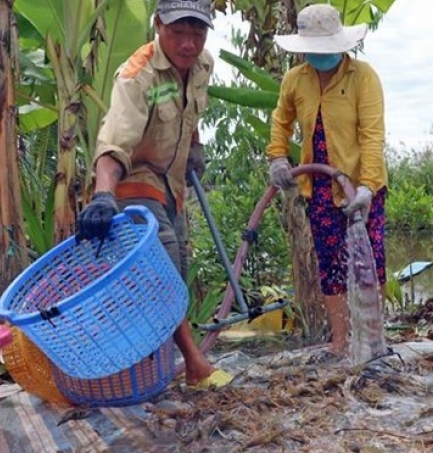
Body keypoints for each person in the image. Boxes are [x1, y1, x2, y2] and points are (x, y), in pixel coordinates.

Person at [77, 0, 232, 389]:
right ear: (158, 25)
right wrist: (102, 196)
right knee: (162, 276)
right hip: (133, 182)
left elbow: (189, 113)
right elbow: (114, 145)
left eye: (197, 34)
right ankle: (195, 365)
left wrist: (195, 144)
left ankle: (152, 370)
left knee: (174, 272)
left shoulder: (203, 65)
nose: (188, 44)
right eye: (179, 33)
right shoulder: (137, 75)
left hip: (172, 185)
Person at [267, 4, 389, 361]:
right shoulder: (295, 80)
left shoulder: (362, 77)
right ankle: (339, 343)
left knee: (370, 263)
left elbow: (372, 136)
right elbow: (281, 120)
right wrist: (277, 156)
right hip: (319, 188)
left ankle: (373, 340)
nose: (321, 56)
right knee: (330, 265)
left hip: (362, 188)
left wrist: (365, 186)